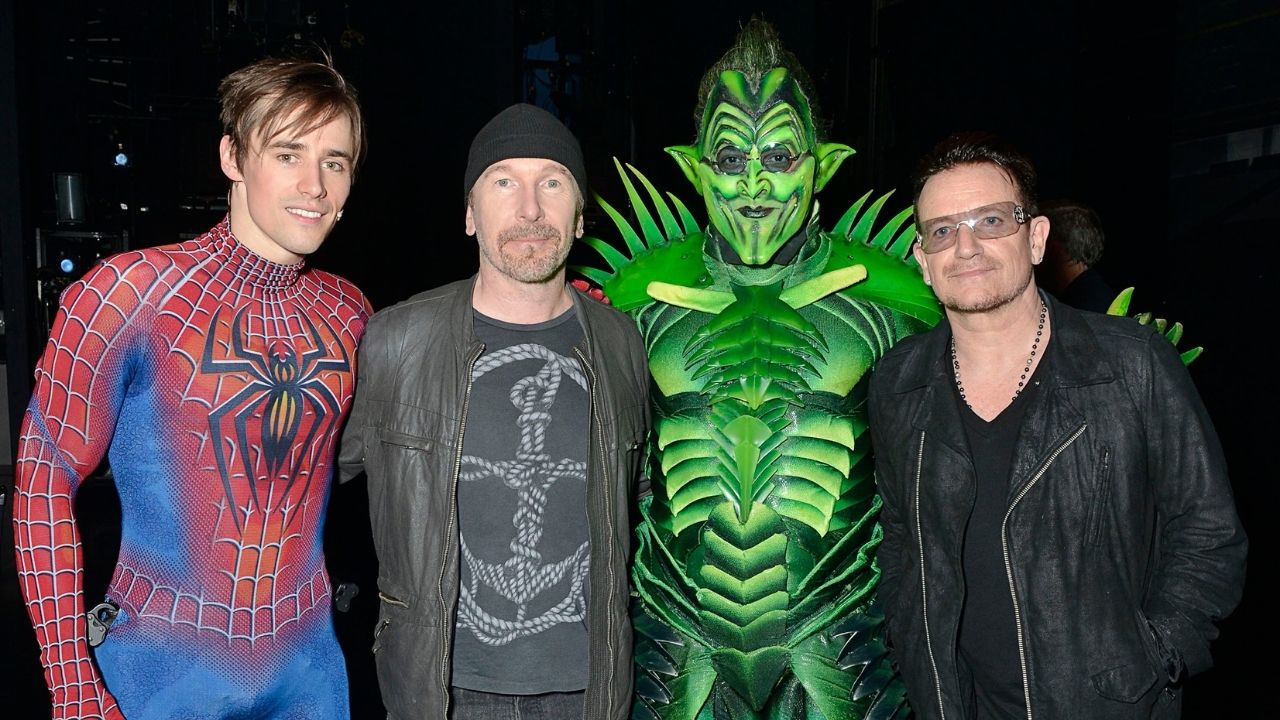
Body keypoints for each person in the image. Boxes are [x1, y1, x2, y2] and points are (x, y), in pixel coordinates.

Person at [577, 19, 938, 719]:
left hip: (845, 639)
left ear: (820, 165)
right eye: (732, 157)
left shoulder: (899, 295)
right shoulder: (633, 296)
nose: (754, 185)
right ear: (696, 168)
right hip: (672, 642)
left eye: (778, 156)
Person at [13, 55, 370, 719]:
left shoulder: (350, 313)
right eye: (288, 153)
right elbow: (42, 482)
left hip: (311, 672)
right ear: (232, 156)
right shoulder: (126, 294)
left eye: (336, 161)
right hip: (160, 674)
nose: (315, 185)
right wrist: (72, 689)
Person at [868, 130, 1247, 718]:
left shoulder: (1131, 363)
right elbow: (900, 535)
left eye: (991, 221)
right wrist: (911, 644)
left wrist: (1155, 656)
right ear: (922, 258)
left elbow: (1208, 532)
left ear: (1037, 237)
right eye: (942, 230)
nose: (965, 247)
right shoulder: (898, 381)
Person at [336, 102, 650, 720]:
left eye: (552, 183)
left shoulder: (621, 345)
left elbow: (638, 501)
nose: (530, 208)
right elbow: (294, 493)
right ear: (470, 215)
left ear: (581, 215)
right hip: (440, 691)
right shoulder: (396, 341)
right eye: (504, 181)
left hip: (592, 691)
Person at [1035, 198, 1117, 312]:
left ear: (1054, 246)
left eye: (1037, 237)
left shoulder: (1085, 307)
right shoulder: (1095, 293)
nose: (1032, 246)